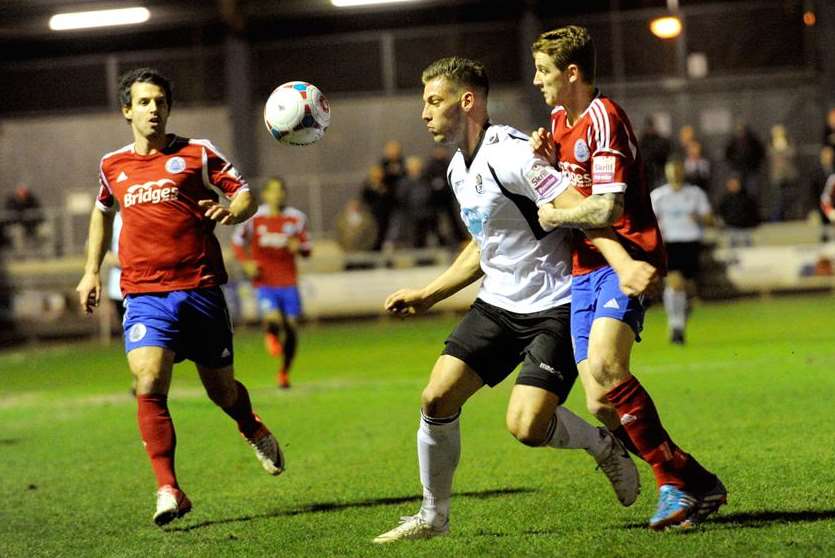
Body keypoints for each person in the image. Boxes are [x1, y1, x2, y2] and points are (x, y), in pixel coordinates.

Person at [374, 56, 652, 544]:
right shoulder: (460, 168)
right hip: (498, 304)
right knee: (436, 397)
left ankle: (602, 445)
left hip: (554, 305)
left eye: (433, 101)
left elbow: (580, 211)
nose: (424, 113)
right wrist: (428, 295)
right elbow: (485, 246)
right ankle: (433, 517)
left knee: (525, 426)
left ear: (467, 101)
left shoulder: (517, 154)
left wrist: (624, 264)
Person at [530, 25, 726, 530]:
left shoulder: (604, 118)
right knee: (598, 399)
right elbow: (564, 180)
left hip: (628, 257)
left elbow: (609, 205)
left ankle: (670, 484)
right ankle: (695, 479)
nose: (536, 81)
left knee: (609, 366)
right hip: (584, 267)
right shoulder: (558, 118)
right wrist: (547, 159)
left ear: (571, 73)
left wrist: (554, 215)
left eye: (543, 71)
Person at [75, 67, 284, 526]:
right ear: (126, 110)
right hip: (145, 292)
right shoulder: (113, 165)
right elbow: (101, 212)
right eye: (144, 102)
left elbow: (245, 194)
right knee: (148, 381)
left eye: (160, 102)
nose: (154, 110)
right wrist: (91, 271)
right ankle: (168, 488)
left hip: (201, 288)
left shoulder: (197, 153)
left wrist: (231, 212)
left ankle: (250, 426)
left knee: (221, 390)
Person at [232, 177, 311, 389]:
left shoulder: (296, 218)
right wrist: (246, 262)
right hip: (264, 281)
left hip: (289, 282)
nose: (278, 195)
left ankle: (284, 371)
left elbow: (306, 248)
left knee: (293, 328)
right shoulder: (255, 218)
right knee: (273, 318)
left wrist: (300, 247)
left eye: (281, 191)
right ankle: (271, 332)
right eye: (273, 191)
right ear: (265, 194)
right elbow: (238, 242)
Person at [651, 160, 714, 345]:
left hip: (691, 242)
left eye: (678, 170)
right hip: (669, 243)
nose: (675, 174)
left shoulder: (695, 194)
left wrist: (701, 217)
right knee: (674, 283)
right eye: (671, 170)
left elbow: (710, 218)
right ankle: (676, 326)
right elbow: (649, 221)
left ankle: (679, 324)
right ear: (667, 172)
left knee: (689, 292)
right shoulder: (658, 196)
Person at [425, 144, 466, 246]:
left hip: (447, 196)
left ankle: (460, 238)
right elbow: (426, 179)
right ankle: (440, 240)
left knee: (453, 219)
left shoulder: (448, 164)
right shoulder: (430, 165)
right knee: (435, 221)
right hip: (435, 198)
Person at [717, 175, 760, 247]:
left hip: (746, 229)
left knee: (748, 250)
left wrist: (754, 224)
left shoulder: (747, 198)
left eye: (735, 184)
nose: (732, 186)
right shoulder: (725, 199)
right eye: (731, 184)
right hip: (731, 229)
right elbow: (720, 212)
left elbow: (754, 212)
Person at [361, 164, 396, 250]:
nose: (377, 175)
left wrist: (384, 192)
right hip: (372, 216)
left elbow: (392, 199)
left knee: (384, 238)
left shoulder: (387, 186)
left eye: (379, 173)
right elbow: (365, 200)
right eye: (375, 173)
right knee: (373, 237)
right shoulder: (367, 187)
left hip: (385, 215)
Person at [725, 122, 765, 197]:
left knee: (753, 192)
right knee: (736, 191)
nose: (741, 132)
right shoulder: (733, 141)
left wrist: (755, 164)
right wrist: (733, 164)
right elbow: (728, 154)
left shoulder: (753, 140)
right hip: (737, 169)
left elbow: (760, 153)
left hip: (751, 170)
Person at [809, 146, 835, 242]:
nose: (828, 157)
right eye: (826, 154)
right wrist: (814, 208)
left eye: (830, 154)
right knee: (824, 231)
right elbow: (812, 190)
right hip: (822, 205)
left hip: (833, 204)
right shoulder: (816, 172)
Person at [638, 116, 671, 190]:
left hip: (659, 172)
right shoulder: (642, 142)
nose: (650, 129)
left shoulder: (662, 141)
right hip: (646, 174)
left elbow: (665, 155)